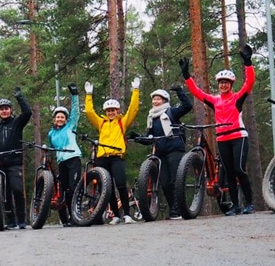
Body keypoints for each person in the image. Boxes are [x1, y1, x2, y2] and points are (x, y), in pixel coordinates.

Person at [180, 45, 256, 215]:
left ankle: (250, 204)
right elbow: (197, 93)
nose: (223, 85)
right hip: (222, 139)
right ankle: (235, 206)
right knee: (229, 172)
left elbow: (249, 82)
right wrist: (187, 76)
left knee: (239, 170)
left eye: (226, 83)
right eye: (221, 83)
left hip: (238, 137)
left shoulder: (237, 97)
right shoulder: (214, 101)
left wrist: (248, 63)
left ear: (231, 84)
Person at [131, 85, 193, 219]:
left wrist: (180, 91)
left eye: (158, 99)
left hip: (174, 149)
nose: (154, 101)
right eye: (153, 99)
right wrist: (137, 138)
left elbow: (188, 106)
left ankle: (178, 210)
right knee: (164, 183)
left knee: (175, 180)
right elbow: (150, 139)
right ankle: (174, 210)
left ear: (165, 100)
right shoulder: (151, 117)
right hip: (160, 153)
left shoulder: (171, 112)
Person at [84, 77, 140, 224]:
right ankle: (115, 215)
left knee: (121, 184)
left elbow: (133, 109)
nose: (111, 113)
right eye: (108, 111)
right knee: (106, 188)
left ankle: (127, 214)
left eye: (113, 110)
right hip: (102, 158)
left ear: (117, 110)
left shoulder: (122, 122)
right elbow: (89, 112)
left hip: (116, 156)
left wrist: (135, 91)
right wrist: (88, 95)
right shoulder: (101, 123)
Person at [0, 87, 32, 229]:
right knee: (4, 193)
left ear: (11, 110)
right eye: (1, 109)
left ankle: (21, 220)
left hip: (15, 163)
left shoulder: (17, 123)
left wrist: (20, 98)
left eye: (7, 108)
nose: (4, 111)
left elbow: (28, 113)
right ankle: (11, 221)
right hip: (0, 164)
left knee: (17, 190)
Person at [47, 83, 83, 227]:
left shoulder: (70, 126)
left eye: (62, 117)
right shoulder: (51, 133)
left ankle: (76, 216)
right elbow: (52, 148)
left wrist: (74, 95)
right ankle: (69, 218)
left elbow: (76, 112)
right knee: (65, 190)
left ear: (66, 119)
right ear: (54, 119)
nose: (60, 119)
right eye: (58, 117)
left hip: (73, 159)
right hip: (62, 163)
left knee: (73, 188)